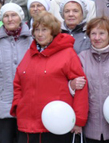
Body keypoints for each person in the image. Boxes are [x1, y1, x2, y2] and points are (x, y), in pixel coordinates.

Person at [11, 12, 88, 143]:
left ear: (53, 32)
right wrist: (19, 106)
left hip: (55, 124)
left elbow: (81, 87)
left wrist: (79, 120)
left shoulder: (67, 54)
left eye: (44, 30)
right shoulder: (30, 54)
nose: (40, 34)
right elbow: (18, 83)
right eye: (37, 30)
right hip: (26, 126)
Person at [0, 3, 33, 143]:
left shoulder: (32, 41)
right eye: (6, 16)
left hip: (27, 105)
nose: (10, 19)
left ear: (20, 17)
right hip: (1, 104)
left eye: (13, 15)